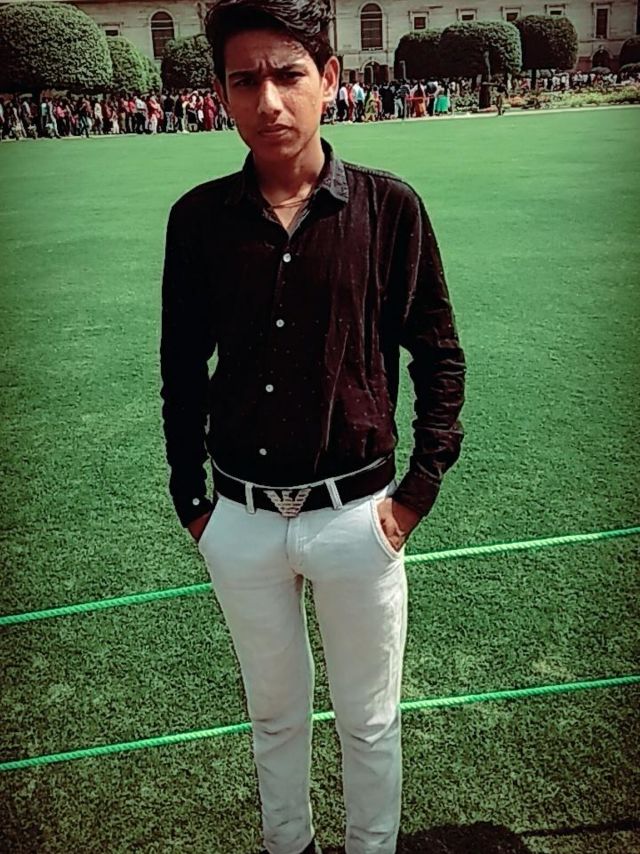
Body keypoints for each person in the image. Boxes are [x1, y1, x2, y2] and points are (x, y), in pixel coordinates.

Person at [160, 1, 466, 853]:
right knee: (274, 719)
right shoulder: (198, 220)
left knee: (369, 723)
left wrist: (413, 500)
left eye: (288, 74)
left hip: (357, 519)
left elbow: (439, 357)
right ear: (221, 92)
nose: (268, 101)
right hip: (242, 520)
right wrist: (195, 505)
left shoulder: (388, 209)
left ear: (329, 79)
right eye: (244, 80)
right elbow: (181, 368)